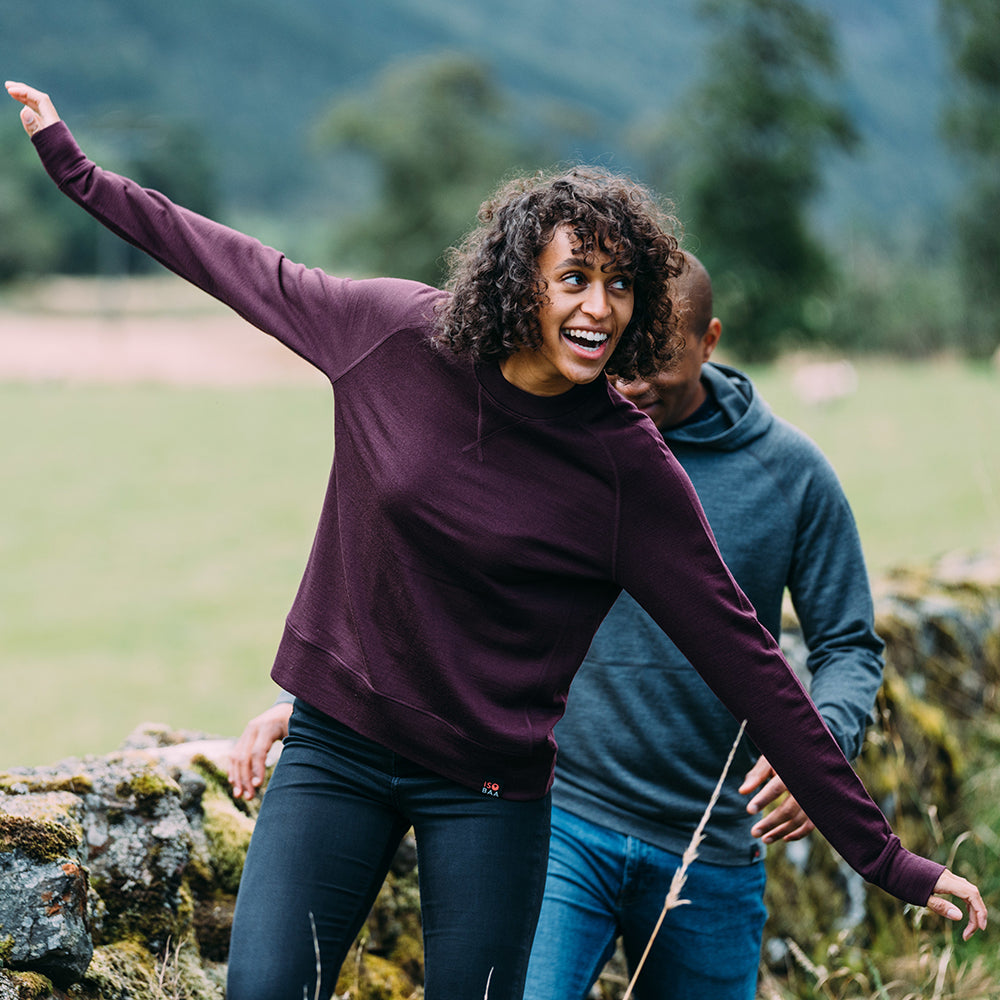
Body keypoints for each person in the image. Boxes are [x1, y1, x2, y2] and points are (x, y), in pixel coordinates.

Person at [6, 82, 986, 1000]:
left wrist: (885, 858)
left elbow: (749, 660)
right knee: (264, 988)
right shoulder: (389, 336)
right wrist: (73, 169)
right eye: (574, 278)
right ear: (523, 276)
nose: (598, 307)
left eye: (620, 284)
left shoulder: (627, 470)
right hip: (337, 747)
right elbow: (230, 261)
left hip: (489, 788)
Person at [523, 252, 884, 999]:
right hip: (560, 821)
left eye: (659, 355)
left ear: (710, 340)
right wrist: (308, 706)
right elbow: (456, 593)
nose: (633, 377)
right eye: (623, 352)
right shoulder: (565, 441)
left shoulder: (792, 475)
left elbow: (847, 645)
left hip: (714, 848)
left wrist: (822, 746)